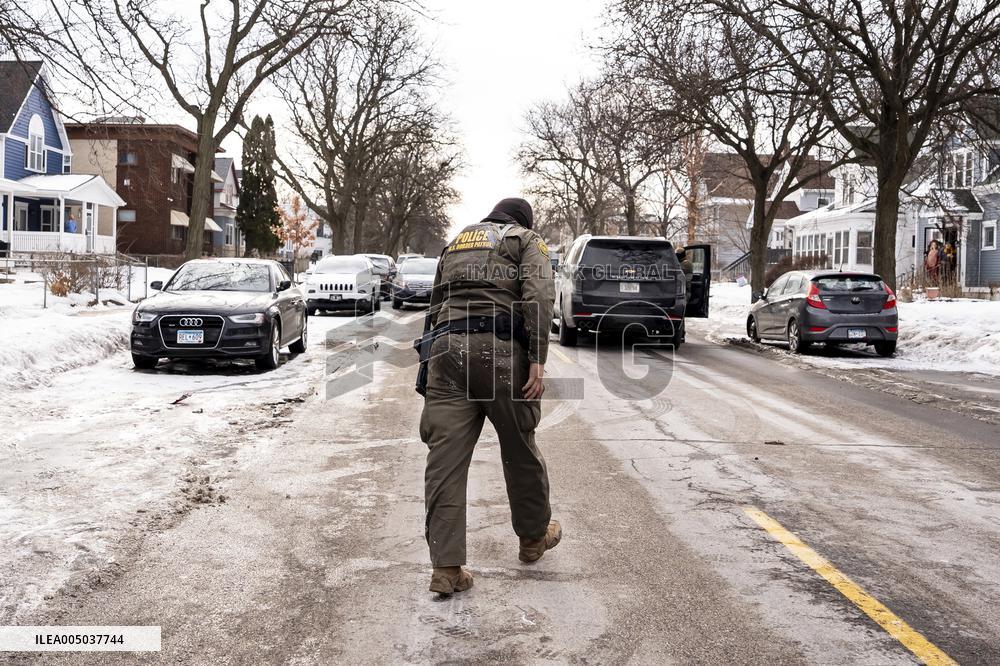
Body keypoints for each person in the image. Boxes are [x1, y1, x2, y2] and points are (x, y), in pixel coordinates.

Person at [419, 197, 559, 595]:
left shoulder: (457, 242)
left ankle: (446, 569)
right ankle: (533, 540)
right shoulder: (525, 239)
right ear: (522, 220)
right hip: (500, 355)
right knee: (519, 448)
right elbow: (538, 296)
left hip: (446, 353)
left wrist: (426, 372)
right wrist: (537, 359)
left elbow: (434, 308)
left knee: (444, 463)